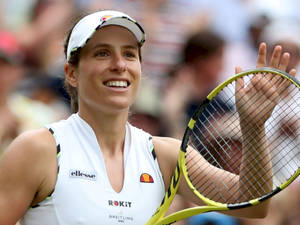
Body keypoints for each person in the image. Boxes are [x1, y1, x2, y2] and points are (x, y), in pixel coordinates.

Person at [0, 9, 296, 225]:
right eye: (102, 53)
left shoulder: (164, 154)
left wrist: (254, 127)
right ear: (71, 73)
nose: (119, 65)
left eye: (129, 54)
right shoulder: (38, 149)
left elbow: (253, 204)